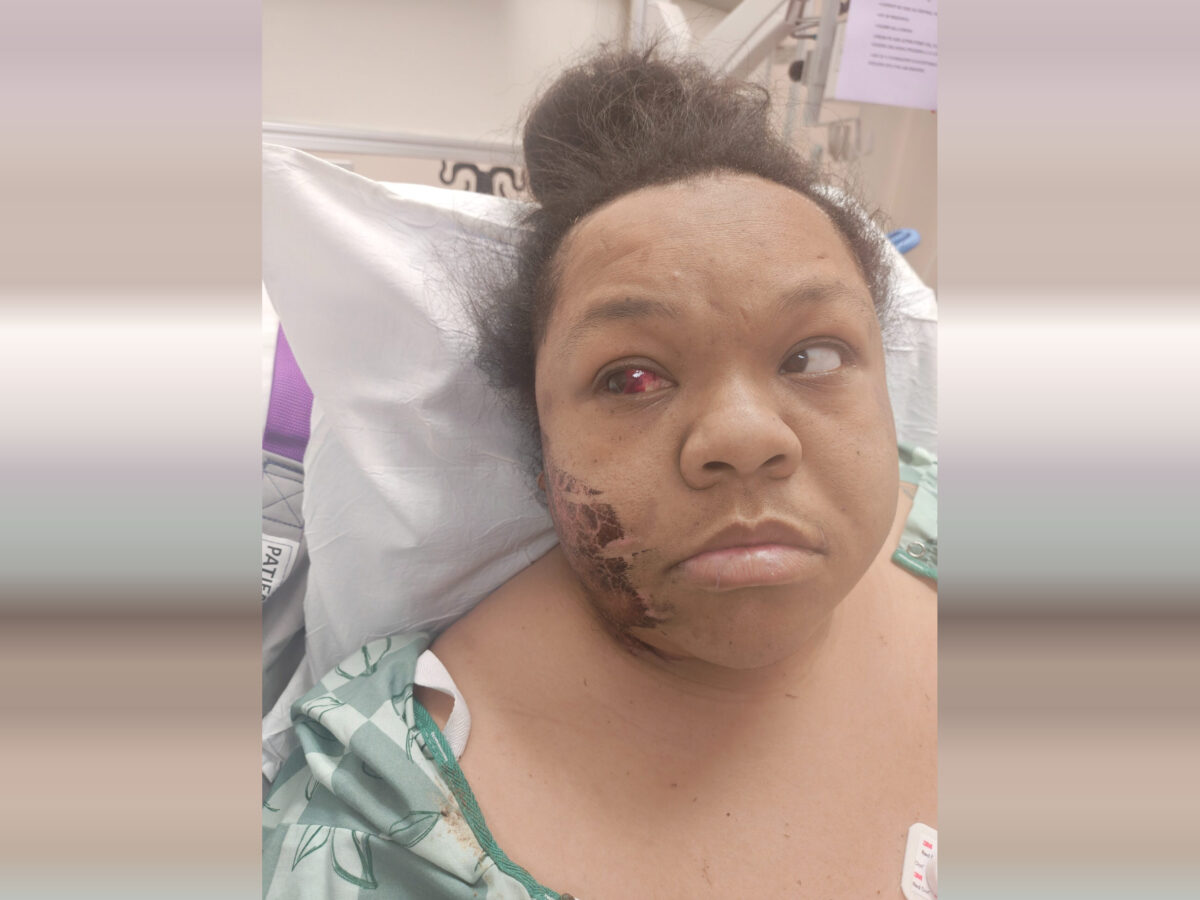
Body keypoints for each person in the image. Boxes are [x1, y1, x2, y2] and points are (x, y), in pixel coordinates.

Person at [263, 48, 936, 899]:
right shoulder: (377, 820)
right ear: (540, 444)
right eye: (633, 378)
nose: (744, 437)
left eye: (813, 355)